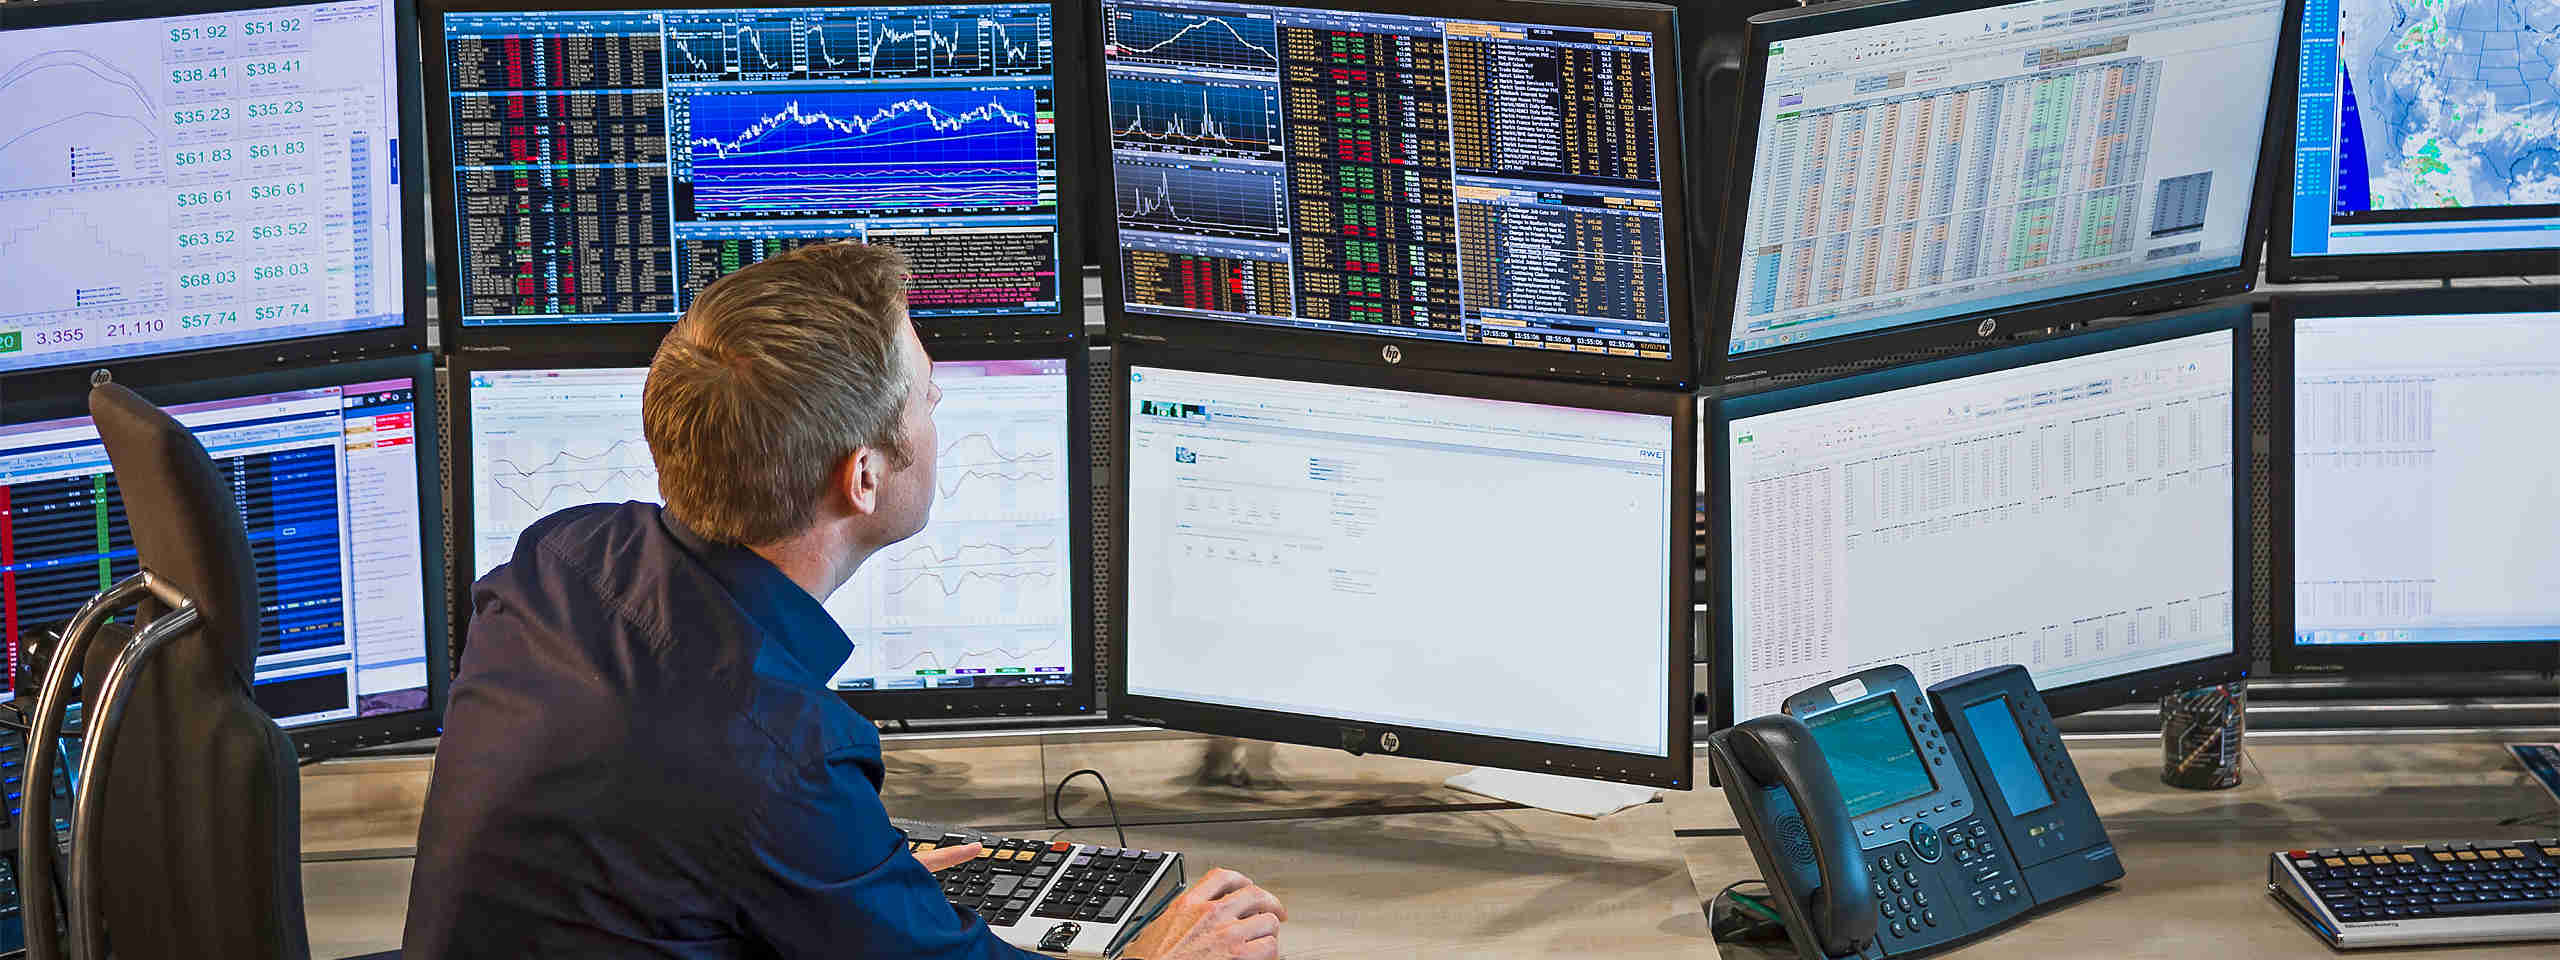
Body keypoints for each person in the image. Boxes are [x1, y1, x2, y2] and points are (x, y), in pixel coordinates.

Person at [404, 243, 1286, 959]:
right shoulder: (778, 756)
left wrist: (850, 887)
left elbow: (639, 867)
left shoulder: (558, 556)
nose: (938, 410)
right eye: (928, 396)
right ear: (862, 476)